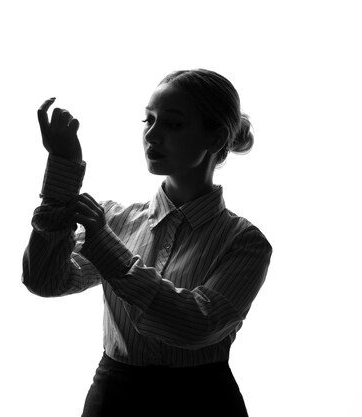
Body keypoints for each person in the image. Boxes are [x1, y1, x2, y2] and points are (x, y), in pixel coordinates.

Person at [22, 69, 272, 417]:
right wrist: (62, 171)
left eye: (173, 124)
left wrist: (107, 248)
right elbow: (45, 281)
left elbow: (195, 325)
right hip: (112, 401)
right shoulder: (115, 221)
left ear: (215, 138)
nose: (152, 135)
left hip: (203, 404)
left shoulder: (245, 243)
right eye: (148, 120)